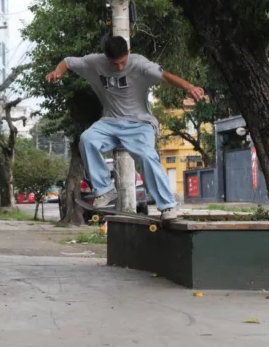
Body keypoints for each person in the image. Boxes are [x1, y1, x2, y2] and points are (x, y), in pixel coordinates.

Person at [46, 36, 205, 221]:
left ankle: (167, 205)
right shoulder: (94, 62)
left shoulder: (140, 64)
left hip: (140, 123)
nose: (119, 67)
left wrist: (189, 87)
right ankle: (104, 190)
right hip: (110, 121)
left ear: (128, 53)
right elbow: (68, 61)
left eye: (122, 62)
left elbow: (166, 76)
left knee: (147, 156)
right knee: (87, 139)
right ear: (106, 58)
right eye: (114, 64)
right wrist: (57, 72)